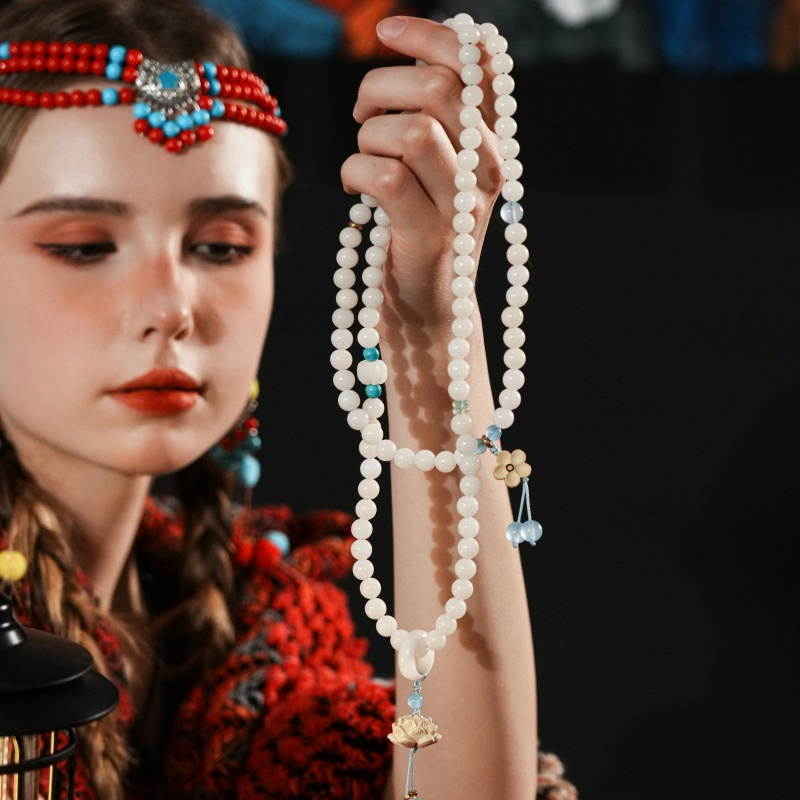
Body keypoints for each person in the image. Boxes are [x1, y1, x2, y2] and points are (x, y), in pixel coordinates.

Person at [0, 0, 576, 797]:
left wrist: (428, 331)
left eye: (220, 247)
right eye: (83, 247)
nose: (171, 307)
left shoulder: (254, 621)